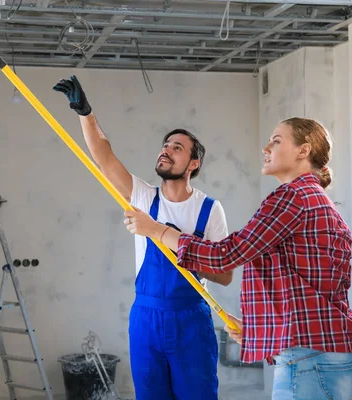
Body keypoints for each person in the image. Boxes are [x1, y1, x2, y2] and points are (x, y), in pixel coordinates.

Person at [124, 117, 352, 400]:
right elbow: (304, 288)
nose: (266, 148)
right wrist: (257, 329)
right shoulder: (317, 198)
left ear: (304, 150)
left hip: (309, 361)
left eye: (276, 141)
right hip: (334, 354)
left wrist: (157, 230)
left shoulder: (293, 197)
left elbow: (224, 256)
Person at [53, 75, 233, 400]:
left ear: (194, 163)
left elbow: (224, 275)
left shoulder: (209, 210)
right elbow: (104, 157)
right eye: (165, 145)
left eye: (177, 147)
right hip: (146, 320)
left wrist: (176, 242)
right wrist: (85, 113)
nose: (166, 150)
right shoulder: (142, 198)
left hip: (192, 319)